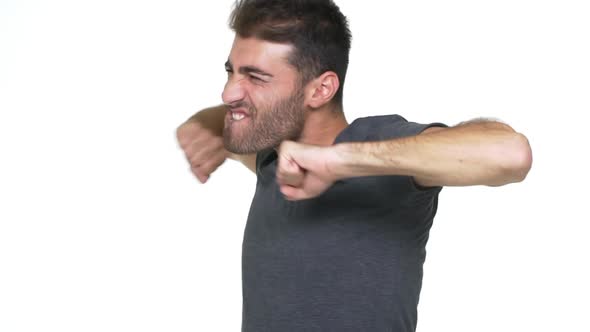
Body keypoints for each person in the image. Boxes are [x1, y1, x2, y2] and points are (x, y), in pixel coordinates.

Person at [176, 0, 533, 331]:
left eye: (255, 77)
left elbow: (510, 154)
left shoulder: (379, 143)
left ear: (321, 89)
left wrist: (336, 161)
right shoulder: (270, 156)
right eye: (231, 71)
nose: (229, 92)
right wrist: (205, 122)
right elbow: (229, 118)